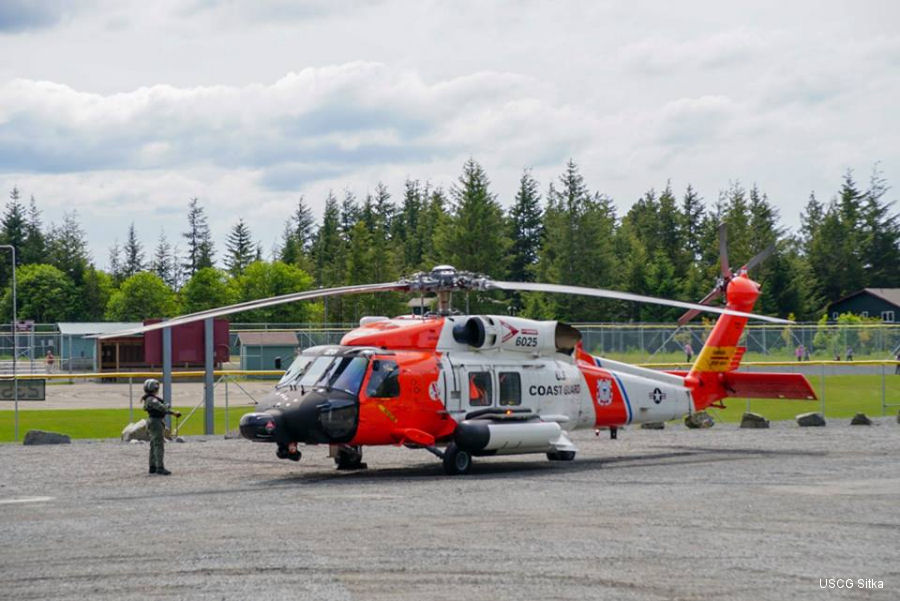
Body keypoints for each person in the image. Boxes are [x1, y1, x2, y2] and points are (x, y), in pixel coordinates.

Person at [142, 378, 180, 476]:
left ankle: (152, 466)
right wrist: (174, 412)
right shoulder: (152, 399)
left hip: (153, 421)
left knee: (153, 444)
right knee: (158, 445)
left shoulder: (149, 398)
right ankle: (160, 467)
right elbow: (162, 408)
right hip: (156, 422)